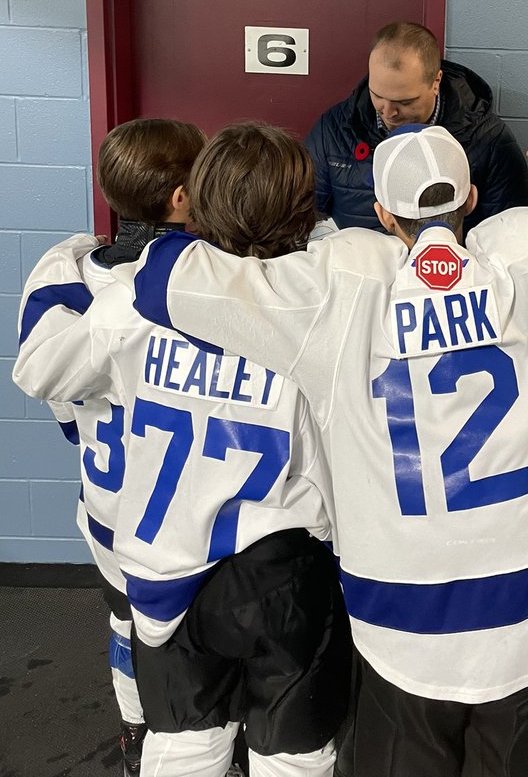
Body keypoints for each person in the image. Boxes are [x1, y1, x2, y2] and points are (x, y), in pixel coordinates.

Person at [17, 116, 528, 777]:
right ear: (474, 198)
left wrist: (106, 244)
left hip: (399, 619)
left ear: (383, 215)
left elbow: (166, 279)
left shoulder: (341, 284)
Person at [15, 124, 351, 777]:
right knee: (294, 755)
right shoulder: (323, 307)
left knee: (183, 747)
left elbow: (44, 374)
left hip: (161, 558)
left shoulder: (134, 301)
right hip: (278, 563)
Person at [17, 116, 206, 776]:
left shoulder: (62, 279)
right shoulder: (200, 284)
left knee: (127, 624)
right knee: (188, 640)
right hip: (187, 513)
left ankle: (136, 734)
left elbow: (52, 387)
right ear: (182, 197)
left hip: (107, 501)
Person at [305, 21, 528, 231]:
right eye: (377, 96)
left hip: (453, 272)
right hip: (357, 271)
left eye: (405, 102)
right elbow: (305, 216)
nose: (388, 112)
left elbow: (512, 235)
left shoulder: (489, 140)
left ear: (436, 82)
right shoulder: (334, 128)